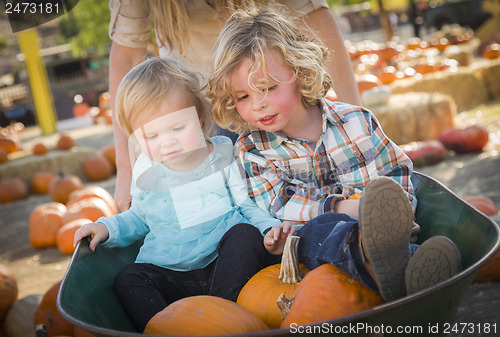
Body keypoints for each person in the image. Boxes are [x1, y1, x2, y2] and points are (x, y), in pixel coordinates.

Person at [208, 6, 461, 303]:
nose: (258, 104)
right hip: (316, 255)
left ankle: (406, 269)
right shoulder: (252, 152)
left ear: (300, 73)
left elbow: (397, 175)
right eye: (243, 97)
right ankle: (387, 274)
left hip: (387, 238)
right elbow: (279, 208)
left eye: (268, 88)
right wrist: (347, 209)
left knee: (417, 245)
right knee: (319, 229)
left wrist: (395, 209)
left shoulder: (357, 122)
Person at [73, 57, 294, 332]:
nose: (167, 142)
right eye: (151, 136)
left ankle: (220, 315)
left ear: (199, 116)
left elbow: (244, 205)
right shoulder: (146, 171)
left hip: (223, 268)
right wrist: (106, 227)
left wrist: (270, 228)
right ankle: (166, 328)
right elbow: (140, 217)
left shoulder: (222, 153)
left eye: (178, 128)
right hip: (170, 274)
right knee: (128, 278)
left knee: (245, 235)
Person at [108, 0, 362, 212]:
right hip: (202, 107)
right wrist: (126, 172)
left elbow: (314, 16)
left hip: (269, 69)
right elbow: (127, 55)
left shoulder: (354, 123)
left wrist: (352, 120)